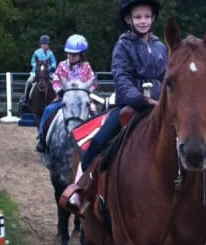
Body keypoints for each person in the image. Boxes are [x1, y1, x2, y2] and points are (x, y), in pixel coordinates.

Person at [62, 0, 168, 212]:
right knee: (99, 140)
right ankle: (80, 188)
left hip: (160, 107)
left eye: (147, 16)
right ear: (129, 19)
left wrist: (166, 101)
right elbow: (121, 78)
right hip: (132, 106)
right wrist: (140, 99)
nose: (143, 21)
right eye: (138, 17)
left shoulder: (160, 47)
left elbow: (168, 78)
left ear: (153, 18)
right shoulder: (123, 45)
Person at [36, 34, 96, 152]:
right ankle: (42, 138)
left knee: (95, 113)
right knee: (48, 110)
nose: (71, 56)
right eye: (69, 53)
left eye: (74, 54)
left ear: (81, 54)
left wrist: (86, 91)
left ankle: (98, 142)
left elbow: (92, 82)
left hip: (81, 99)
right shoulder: (62, 65)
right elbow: (56, 80)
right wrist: (60, 91)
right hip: (65, 98)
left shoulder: (86, 67)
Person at [21, 35, 57, 105]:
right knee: (28, 81)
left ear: (48, 45)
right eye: (43, 44)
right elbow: (33, 62)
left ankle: (58, 96)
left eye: (46, 44)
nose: (44, 45)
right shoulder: (36, 53)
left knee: (56, 82)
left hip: (48, 72)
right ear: (41, 44)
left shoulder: (50, 53)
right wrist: (37, 67)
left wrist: (52, 67)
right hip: (37, 72)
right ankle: (26, 97)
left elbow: (54, 62)